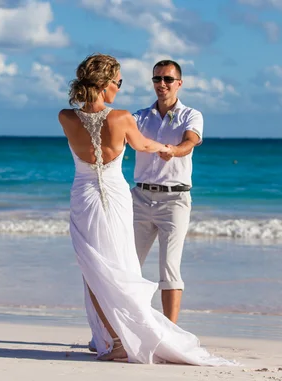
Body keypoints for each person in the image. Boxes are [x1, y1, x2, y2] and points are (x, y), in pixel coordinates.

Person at [58, 54, 234, 365]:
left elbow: (187, 138)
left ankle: (113, 337)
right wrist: (167, 148)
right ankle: (119, 338)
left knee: (96, 269)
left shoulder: (65, 117)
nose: (119, 88)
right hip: (117, 198)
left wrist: (177, 148)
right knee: (120, 269)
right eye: (118, 82)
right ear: (105, 84)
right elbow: (143, 145)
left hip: (83, 197)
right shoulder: (124, 117)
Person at [131, 60, 202, 324]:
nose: (161, 84)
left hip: (174, 200)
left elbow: (190, 143)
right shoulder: (139, 116)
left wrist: (172, 150)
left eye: (167, 79)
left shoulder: (191, 115)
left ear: (179, 83)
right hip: (139, 197)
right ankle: (125, 327)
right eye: (157, 79)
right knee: (128, 266)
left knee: (169, 268)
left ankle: (170, 332)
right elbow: (122, 137)